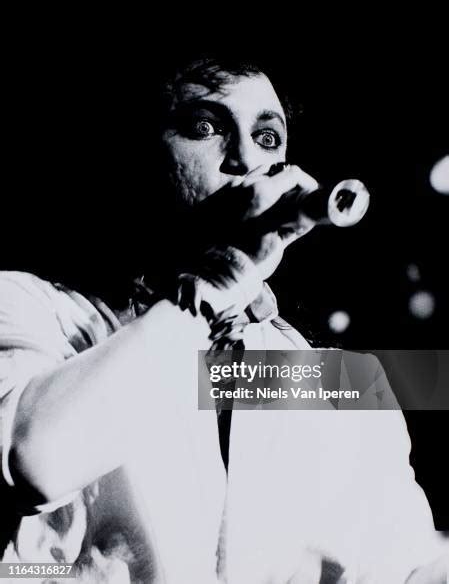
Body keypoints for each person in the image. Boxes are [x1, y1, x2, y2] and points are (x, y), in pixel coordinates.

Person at [0, 56, 447, 583]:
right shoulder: (30, 308)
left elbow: (401, 565)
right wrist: (221, 277)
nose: (246, 159)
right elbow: (36, 462)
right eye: (204, 127)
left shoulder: (338, 379)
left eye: (267, 137)